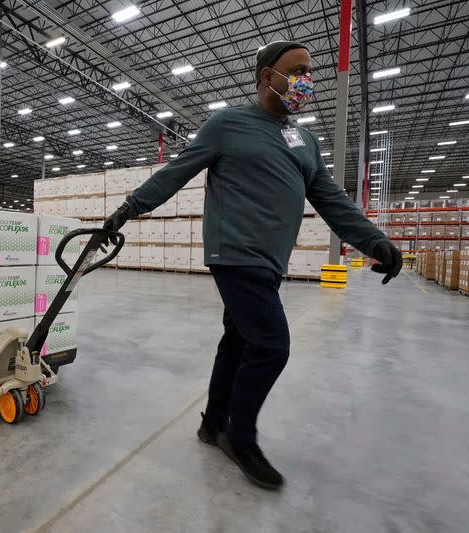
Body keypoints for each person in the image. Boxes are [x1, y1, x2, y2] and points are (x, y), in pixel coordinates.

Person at [103, 41, 402, 490]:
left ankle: (212, 424)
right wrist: (129, 208)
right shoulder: (228, 124)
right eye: (296, 70)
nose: (306, 80)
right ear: (266, 76)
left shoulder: (306, 142)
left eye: (309, 72)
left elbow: (331, 200)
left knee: (240, 341)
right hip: (235, 252)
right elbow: (177, 170)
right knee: (271, 347)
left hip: (269, 259)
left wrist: (373, 241)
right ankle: (240, 438)